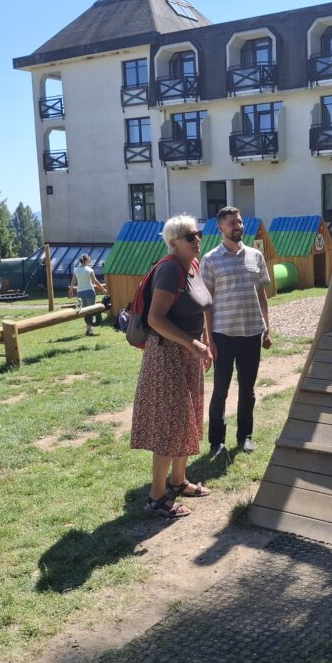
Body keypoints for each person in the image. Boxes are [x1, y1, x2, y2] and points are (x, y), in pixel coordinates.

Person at [130, 214, 214, 519]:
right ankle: (156, 497)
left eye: (198, 234)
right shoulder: (168, 269)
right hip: (167, 355)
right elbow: (155, 319)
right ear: (174, 242)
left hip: (188, 353)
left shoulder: (192, 265)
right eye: (190, 236)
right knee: (170, 422)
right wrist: (193, 344)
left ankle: (179, 481)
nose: (197, 240)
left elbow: (200, 307)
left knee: (187, 418)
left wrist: (204, 343)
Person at [201, 207, 271, 457]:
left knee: (247, 389)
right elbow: (206, 304)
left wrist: (267, 328)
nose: (238, 226)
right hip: (223, 335)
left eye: (239, 222)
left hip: (251, 334)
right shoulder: (210, 259)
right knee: (220, 390)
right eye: (232, 223)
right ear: (221, 228)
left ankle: (245, 437)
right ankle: (216, 442)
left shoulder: (256, 256)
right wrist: (209, 339)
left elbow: (262, 295)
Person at [68, 254, 108, 336]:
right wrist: (103, 289)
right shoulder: (90, 270)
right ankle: (89, 329)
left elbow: (73, 282)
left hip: (80, 293)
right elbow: (95, 282)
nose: (90, 261)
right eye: (89, 259)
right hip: (90, 292)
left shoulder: (76, 270)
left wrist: (71, 291)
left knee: (84, 311)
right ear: (85, 261)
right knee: (91, 310)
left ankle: (88, 328)